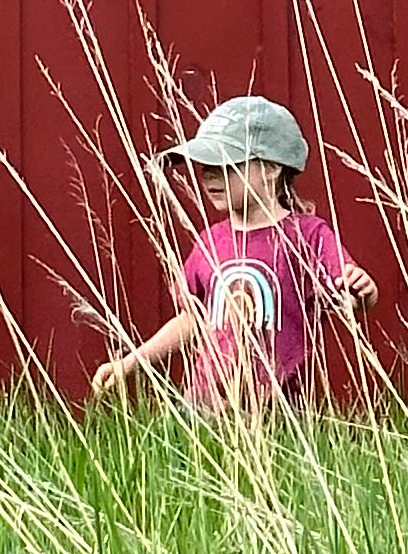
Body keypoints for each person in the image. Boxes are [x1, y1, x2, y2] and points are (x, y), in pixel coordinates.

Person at [90, 94, 375, 408]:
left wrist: (361, 293)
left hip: (277, 411)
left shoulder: (307, 235)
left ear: (271, 168)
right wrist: (131, 362)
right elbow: (192, 318)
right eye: (205, 165)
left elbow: (347, 295)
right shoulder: (211, 242)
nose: (209, 174)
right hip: (205, 407)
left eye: (225, 164)